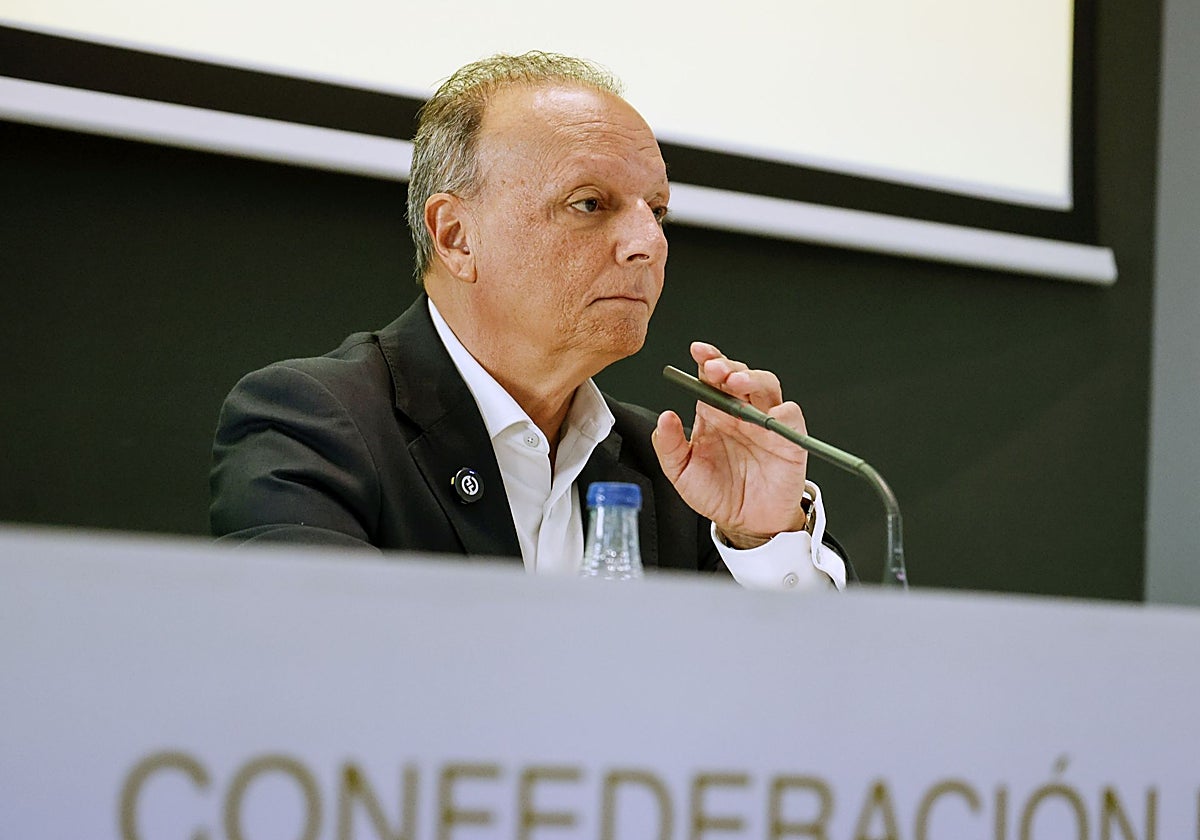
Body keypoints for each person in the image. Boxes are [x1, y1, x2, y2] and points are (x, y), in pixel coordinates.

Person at [210, 52, 848, 591]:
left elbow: (813, 705)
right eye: (590, 203)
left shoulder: (672, 469)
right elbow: (312, 664)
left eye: (657, 211)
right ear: (457, 237)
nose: (647, 243)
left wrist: (761, 536)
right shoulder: (311, 423)